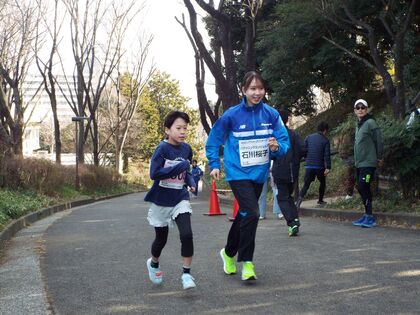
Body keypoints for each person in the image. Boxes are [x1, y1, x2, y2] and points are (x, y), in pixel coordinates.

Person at [205, 71, 290, 281]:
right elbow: (214, 139)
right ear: (244, 90)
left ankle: (227, 253)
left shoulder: (271, 115)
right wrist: (215, 164)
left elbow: (284, 142)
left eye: (260, 88)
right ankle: (247, 263)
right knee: (252, 213)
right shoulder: (232, 115)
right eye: (253, 88)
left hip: (259, 173)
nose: (257, 92)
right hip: (237, 172)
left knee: (245, 214)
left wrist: (277, 147)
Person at [144, 111, 197, 290]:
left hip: (180, 199)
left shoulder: (186, 149)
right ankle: (153, 263)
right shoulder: (162, 149)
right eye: (178, 128)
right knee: (161, 240)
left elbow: (187, 172)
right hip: (161, 200)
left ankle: (187, 274)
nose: (183, 132)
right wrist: (179, 167)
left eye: (185, 128)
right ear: (167, 130)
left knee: (187, 234)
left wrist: (191, 183)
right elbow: (154, 173)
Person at [272, 110, 305, 236]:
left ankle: (292, 223)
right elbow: (303, 149)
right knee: (288, 196)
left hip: (280, 170)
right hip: (294, 170)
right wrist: (296, 159)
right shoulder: (293, 134)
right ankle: (295, 219)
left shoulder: (274, 135)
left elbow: (270, 153)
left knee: (282, 197)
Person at [351, 99, 383, 228]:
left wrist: (380, 157)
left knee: (364, 186)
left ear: (367, 109)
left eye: (362, 107)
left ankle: (370, 217)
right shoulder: (359, 124)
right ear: (354, 110)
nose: (360, 110)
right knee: (360, 187)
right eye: (357, 108)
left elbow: (379, 140)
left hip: (368, 162)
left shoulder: (371, 123)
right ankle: (366, 214)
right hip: (360, 163)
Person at [295, 121, 331, 209]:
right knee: (322, 183)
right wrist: (328, 167)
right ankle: (320, 200)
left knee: (306, 185)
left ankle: (298, 202)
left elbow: (303, 149)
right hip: (320, 166)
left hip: (309, 165)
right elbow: (327, 155)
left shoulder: (308, 137)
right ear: (325, 130)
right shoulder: (325, 140)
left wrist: (306, 158)